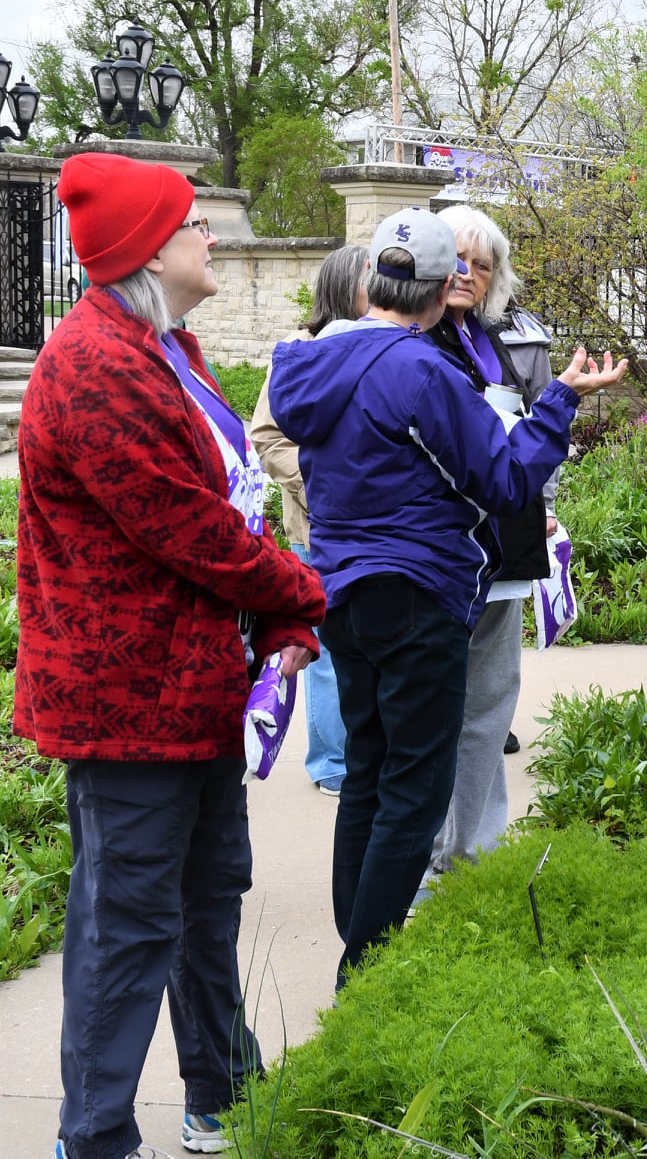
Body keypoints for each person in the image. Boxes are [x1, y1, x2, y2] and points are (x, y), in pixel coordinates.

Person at [16, 152, 326, 1159]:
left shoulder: (169, 349)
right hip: (128, 703)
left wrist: (277, 623)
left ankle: (219, 1095)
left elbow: (232, 500)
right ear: (151, 249)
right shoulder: (97, 367)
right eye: (194, 225)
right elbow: (188, 529)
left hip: (190, 689)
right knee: (128, 925)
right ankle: (94, 1135)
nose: (213, 238)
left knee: (204, 898)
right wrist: (307, 593)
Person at [267, 208, 626, 986]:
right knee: (416, 786)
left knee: (369, 768)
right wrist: (560, 398)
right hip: (414, 593)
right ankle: (365, 971)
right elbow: (502, 479)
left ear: (371, 284)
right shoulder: (420, 369)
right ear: (434, 294)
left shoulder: (307, 363)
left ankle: (360, 943)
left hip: (340, 592)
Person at [420, 204, 558, 885]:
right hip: (446, 554)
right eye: (455, 258)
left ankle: (477, 848)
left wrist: (546, 506)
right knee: (440, 710)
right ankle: (437, 857)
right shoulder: (416, 341)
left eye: (480, 264)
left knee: (489, 708)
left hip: (504, 546)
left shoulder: (491, 339)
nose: (465, 273)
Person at [249, 244, 368, 796]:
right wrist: (320, 475)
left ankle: (365, 753)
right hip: (315, 527)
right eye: (372, 276)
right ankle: (331, 764)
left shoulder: (391, 344)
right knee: (322, 652)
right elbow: (267, 436)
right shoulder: (300, 350)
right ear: (345, 286)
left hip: (374, 532)